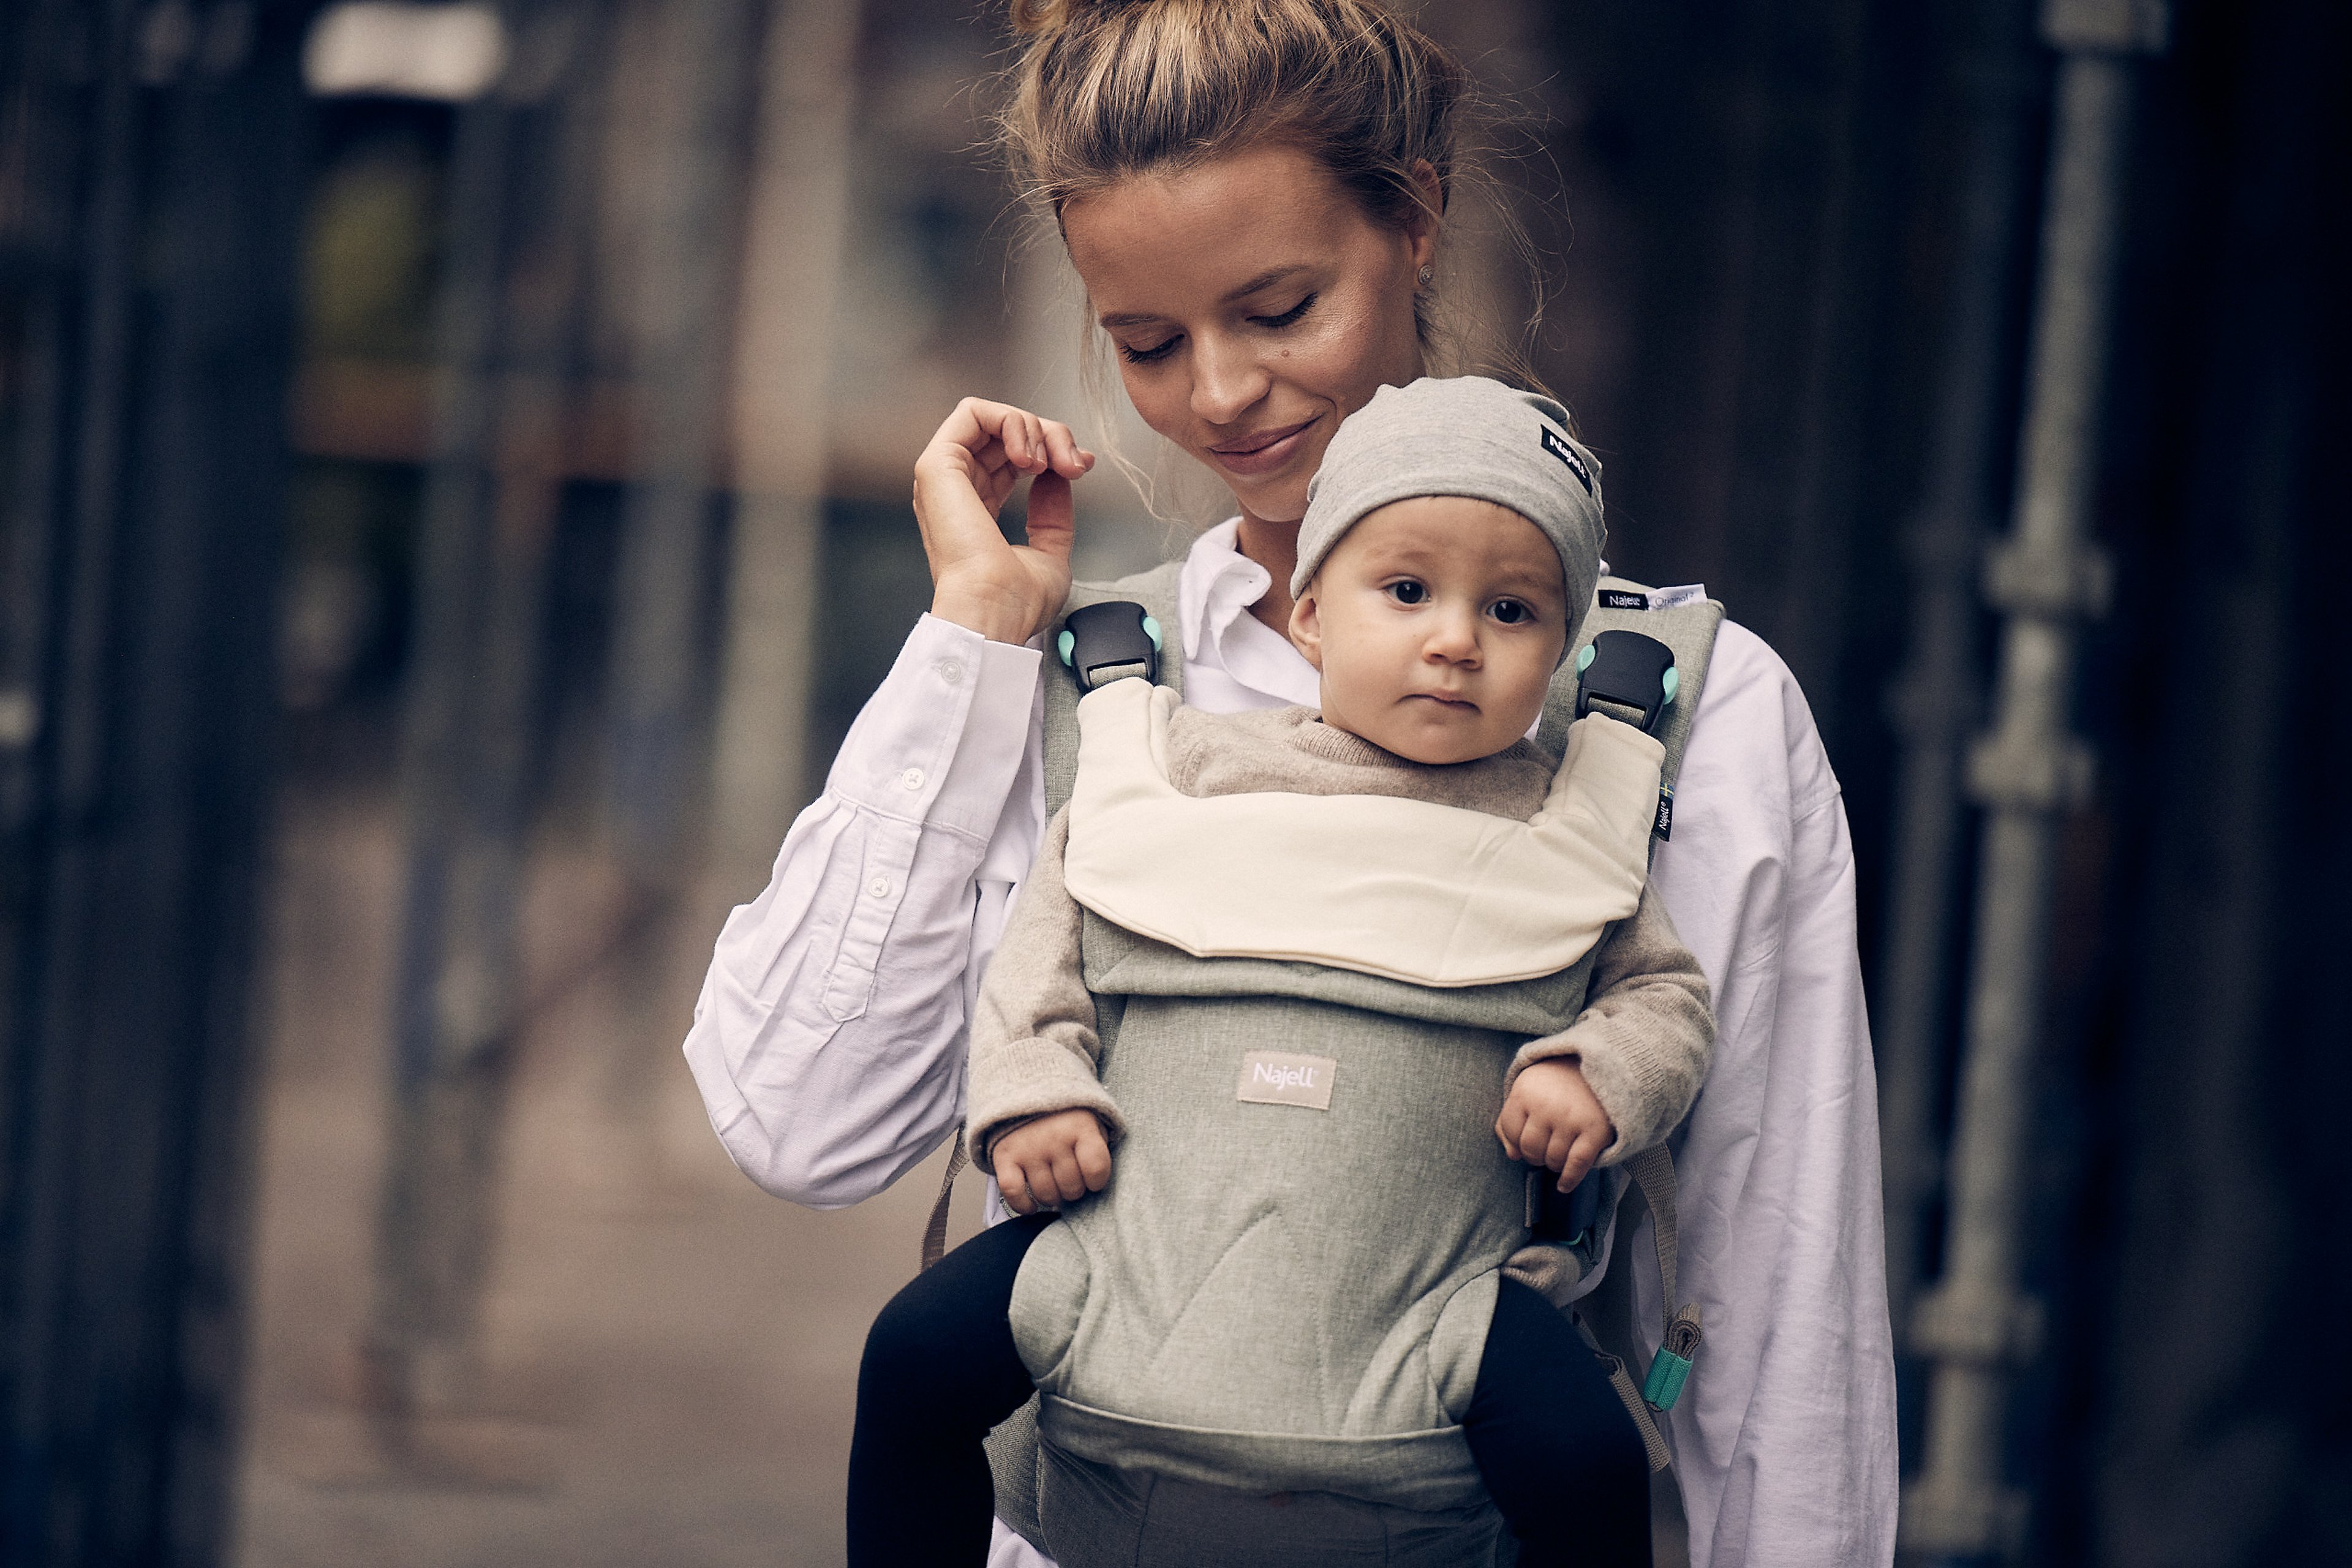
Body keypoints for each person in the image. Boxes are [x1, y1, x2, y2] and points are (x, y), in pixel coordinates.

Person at [681, 4, 1898, 1566]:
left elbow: (1780, 1303)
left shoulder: (1682, 714)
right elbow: (800, 1124)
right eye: (1147, 343)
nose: (1222, 394)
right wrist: (971, 639)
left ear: (1418, 213)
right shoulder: (1093, 684)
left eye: (1279, 306)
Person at [848, 377, 1716, 1567]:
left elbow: (1665, 997)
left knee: (1592, 1460)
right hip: (1119, 1258)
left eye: (1511, 611)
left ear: (1562, 654)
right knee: (909, 1357)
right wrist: (1035, 1089)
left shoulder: (1564, 824)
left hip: (1434, 1314)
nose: (1455, 638)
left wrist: (1598, 1070)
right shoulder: (1185, 767)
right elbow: (1048, 946)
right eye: (1406, 591)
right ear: (1309, 619)